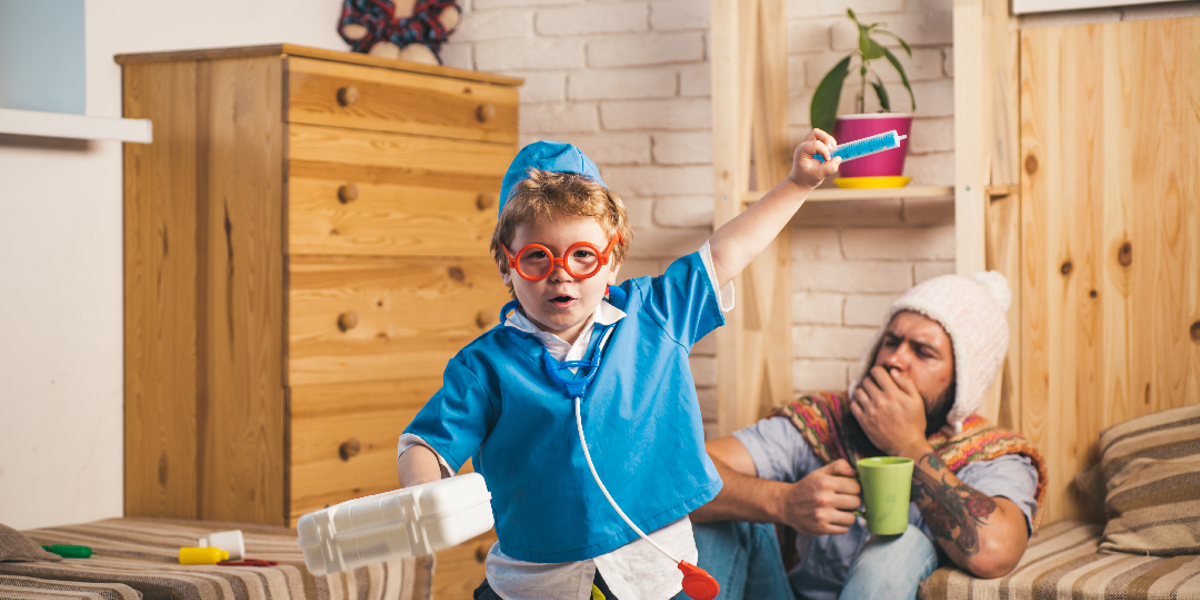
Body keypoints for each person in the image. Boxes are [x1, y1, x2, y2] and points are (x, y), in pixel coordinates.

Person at [396, 132, 843, 600]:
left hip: (653, 575)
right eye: (537, 258)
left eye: (583, 255)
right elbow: (425, 444)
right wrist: (423, 495)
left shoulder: (656, 314)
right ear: (507, 267)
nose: (561, 273)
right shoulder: (484, 367)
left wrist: (797, 183)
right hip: (534, 585)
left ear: (613, 261)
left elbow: (726, 253)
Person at [686, 272, 1047, 600]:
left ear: (962, 382)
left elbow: (996, 551)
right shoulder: (821, 420)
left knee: (899, 542)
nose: (895, 359)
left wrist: (908, 444)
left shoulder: (992, 454)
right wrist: (783, 502)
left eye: (923, 352)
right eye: (891, 342)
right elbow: (682, 476)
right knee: (718, 517)